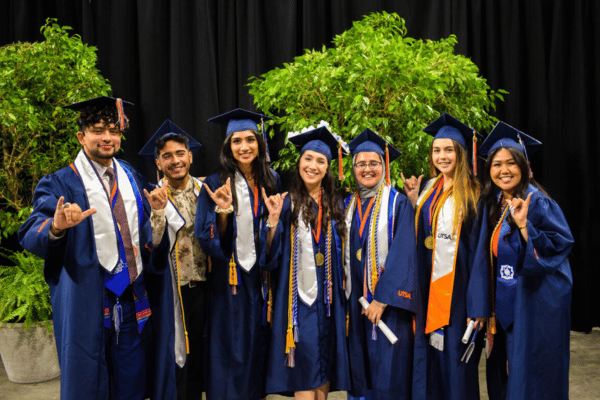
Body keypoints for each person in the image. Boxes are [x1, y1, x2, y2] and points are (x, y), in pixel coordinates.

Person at [18, 96, 172, 400]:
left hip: (131, 300)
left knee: (132, 382)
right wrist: (56, 226)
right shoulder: (61, 183)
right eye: (98, 130)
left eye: (114, 131)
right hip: (89, 300)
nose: (107, 137)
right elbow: (30, 229)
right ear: (81, 136)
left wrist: (156, 214)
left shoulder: (129, 174)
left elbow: (145, 235)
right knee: (89, 383)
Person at [478, 121, 574, 400]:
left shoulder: (537, 201)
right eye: (496, 164)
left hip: (536, 303)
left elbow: (559, 246)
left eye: (511, 163)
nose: (503, 170)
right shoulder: (494, 203)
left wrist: (523, 227)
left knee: (532, 374)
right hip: (507, 304)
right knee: (506, 373)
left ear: (524, 166)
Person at [195, 108, 281, 400]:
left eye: (250, 140)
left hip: (260, 278)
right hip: (227, 280)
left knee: (257, 343)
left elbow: (278, 229)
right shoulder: (215, 181)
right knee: (227, 345)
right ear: (228, 146)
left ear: (260, 143)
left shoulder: (272, 180)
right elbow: (206, 237)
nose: (244, 147)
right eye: (236, 141)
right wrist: (222, 212)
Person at [402, 113, 489, 400]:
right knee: (432, 365)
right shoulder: (429, 188)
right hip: (429, 292)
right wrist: (415, 203)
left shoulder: (474, 193)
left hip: (459, 296)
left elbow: (479, 254)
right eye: (437, 150)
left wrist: (477, 307)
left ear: (461, 153)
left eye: (449, 149)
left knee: (457, 369)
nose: (442, 156)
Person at [261, 126, 350, 400]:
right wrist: (273, 222)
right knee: (304, 360)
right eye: (308, 159)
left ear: (328, 168)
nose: (312, 166)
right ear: (299, 162)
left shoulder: (338, 203)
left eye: (320, 161)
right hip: (297, 301)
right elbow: (270, 257)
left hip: (329, 298)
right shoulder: (285, 203)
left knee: (324, 360)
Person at [343, 129, 418, 400]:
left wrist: (382, 299)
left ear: (384, 166)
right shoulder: (347, 205)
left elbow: (405, 254)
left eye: (373, 163)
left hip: (388, 308)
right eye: (360, 163)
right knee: (360, 375)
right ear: (352, 168)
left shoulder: (398, 203)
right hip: (356, 305)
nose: (367, 169)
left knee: (389, 375)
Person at [138, 119, 208, 400]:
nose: (175, 161)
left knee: (202, 358)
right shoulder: (150, 197)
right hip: (169, 291)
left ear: (190, 156)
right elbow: (150, 246)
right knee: (173, 359)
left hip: (206, 288)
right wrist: (157, 214)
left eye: (180, 154)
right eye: (167, 156)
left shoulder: (207, 192)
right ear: (158, 162)